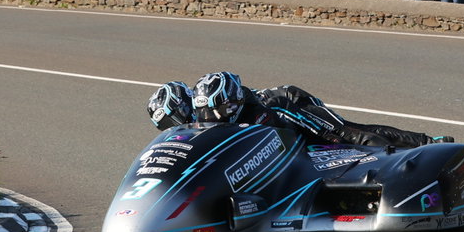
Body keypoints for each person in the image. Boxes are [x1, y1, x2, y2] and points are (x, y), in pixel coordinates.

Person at [176, 71, 436, 151]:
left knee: (347, 135)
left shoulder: (266, 110)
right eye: (208, 113)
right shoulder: (211, 110)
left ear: (234, 102)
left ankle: (424, 143)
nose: (213, 118)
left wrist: (332, 140)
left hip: (292, 104)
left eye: (220, 110)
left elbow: (318, 130)